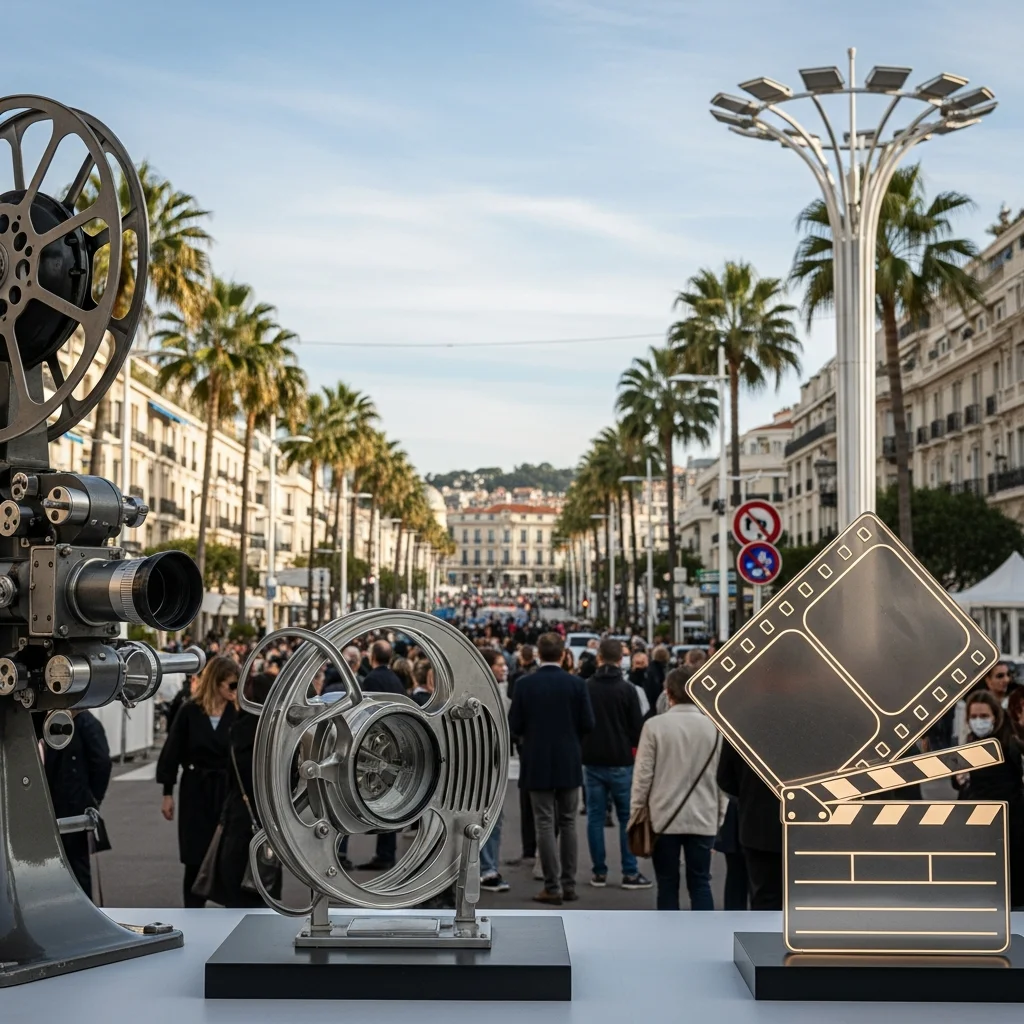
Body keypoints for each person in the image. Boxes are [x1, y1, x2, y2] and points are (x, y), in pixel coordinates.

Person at [508, 632, 594, 905]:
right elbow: (588, 723)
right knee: (568, 823)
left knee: (544, 823)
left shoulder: (525, 685)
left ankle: (552, 885)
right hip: (568, 759)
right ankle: (569, 884)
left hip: (537, 760)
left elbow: (515, 725)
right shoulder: (577, 685)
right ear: (562, 654)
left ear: (538, 654)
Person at [630, 668, 725, 909]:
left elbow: (643, 777)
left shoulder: (654, 726)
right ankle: (705, 939)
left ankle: (669, 940)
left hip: (663, 816)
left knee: (667, 884)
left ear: (668, 693)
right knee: (701, 882)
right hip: (704, 815)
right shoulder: (716, 728)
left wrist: (637, 813)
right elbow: (722, 780)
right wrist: (719, 818)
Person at [157, 655, 239, 907]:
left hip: (227, 790)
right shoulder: (190, 711)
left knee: (229, 856)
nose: (236, 692)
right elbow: (172, 751)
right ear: (215, 683)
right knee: (195, 856)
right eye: (231, 686)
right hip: (196, 788)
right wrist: (167, 792)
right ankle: (192, 910)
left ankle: (230, 915)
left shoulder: (238, 713)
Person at [581, 637, 650, 890]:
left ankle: (599, 871)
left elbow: (582, 723)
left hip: (592, 759)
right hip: (621, 759)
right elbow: (636, 728)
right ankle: (630, 872)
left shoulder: (586, 687)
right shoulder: (627, 690)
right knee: (626, 817)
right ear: (621, 660)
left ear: (598, 658)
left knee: (595, 817)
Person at [216, 672, 283, 907]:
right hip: (270, 819)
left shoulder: (238, 729)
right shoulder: (277, 731)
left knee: (235, 892)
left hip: (239, 815)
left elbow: (231, 778)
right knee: (266, 886)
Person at [953, 689, 1024, 906]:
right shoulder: (968, 744)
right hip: (976, 823)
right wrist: (959, 777)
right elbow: (956, 782)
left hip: (1011, 825)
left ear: (995, 716)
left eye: (984, 716)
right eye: (974, 717)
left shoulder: (1009, 743)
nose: (978, 721)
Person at [43, 710, 112, 900]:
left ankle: (82, 910)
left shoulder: (83, 722)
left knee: (74, 865)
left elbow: (102, 763)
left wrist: (93, 799)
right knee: (67, 865)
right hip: (66, 804)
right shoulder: (75, 721)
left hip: (71, 805)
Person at [716, 738, 782, 910]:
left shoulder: (740, 725)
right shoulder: (817, 720)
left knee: (765, 898)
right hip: (810, 827)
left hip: (759, 823)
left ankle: (766, 936)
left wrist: (749, 795)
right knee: (809, 898)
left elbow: (725, 779)